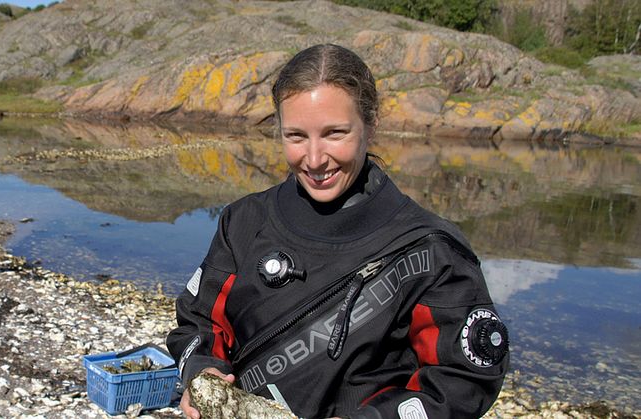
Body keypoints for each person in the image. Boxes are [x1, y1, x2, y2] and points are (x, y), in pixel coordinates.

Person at [167, 44, 509, 419]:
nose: (314, 160)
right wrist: (203, 372)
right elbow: (199, 321)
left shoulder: (431, 251)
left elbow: (463, 378)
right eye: (296, 136)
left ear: (370, 124)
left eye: (334, 133)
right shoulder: (245, 221)